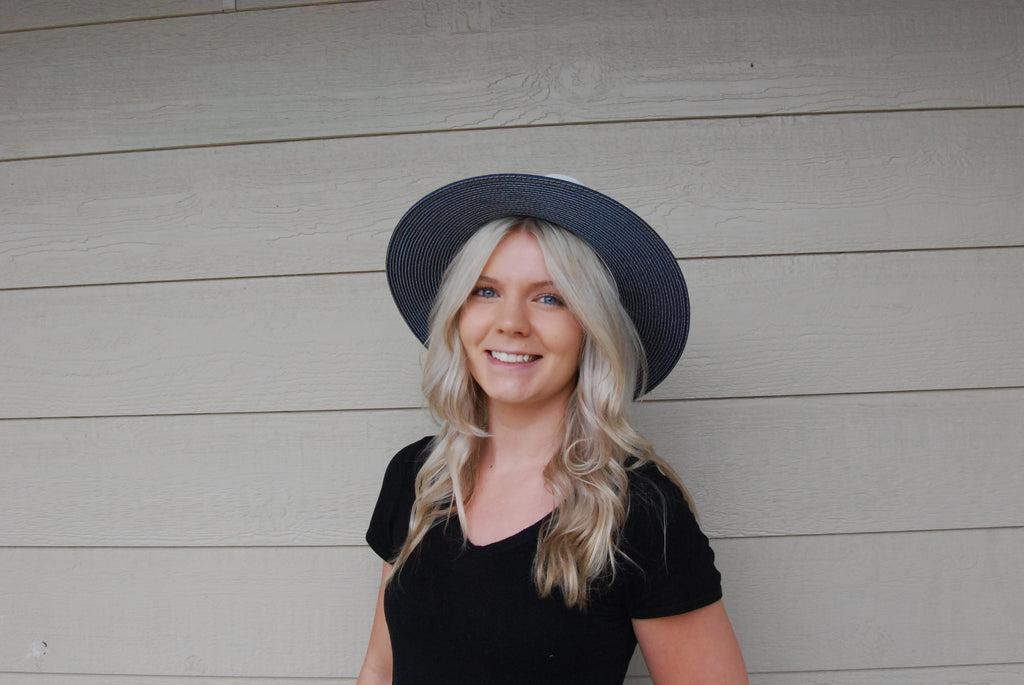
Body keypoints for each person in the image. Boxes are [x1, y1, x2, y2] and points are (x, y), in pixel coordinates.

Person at [357, 174, 748, 684]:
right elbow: (380, 669)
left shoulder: (638, 511)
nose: (511, 322)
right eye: (485, 291)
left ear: (593, 328)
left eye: (550, 298)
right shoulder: (418, 475)